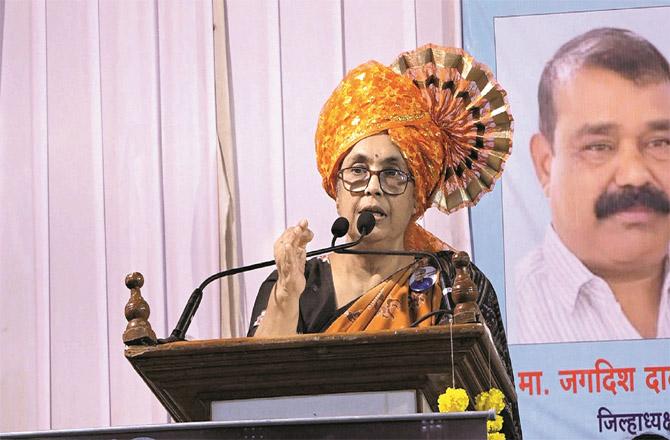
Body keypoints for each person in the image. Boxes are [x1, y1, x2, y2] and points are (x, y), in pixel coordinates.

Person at [246, 45, 521, 438]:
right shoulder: (297, 283)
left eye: (393, 174)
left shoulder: (456, 286)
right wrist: (288, 293)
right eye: (357, 171)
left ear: (417, 198)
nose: (372, 189)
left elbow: (498, 418)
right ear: (336, 189)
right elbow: (252, 399)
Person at [511, 28, 670, 344]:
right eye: (599, 147)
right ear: (545, 165)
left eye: (659, 143)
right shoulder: (506, 310)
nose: (635, 175)